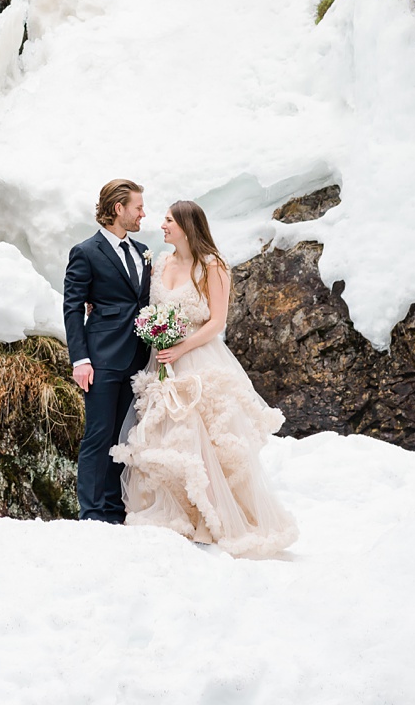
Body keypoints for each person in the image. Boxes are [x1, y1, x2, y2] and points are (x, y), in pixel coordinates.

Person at [111, 200, 298, 557]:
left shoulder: (212, 265)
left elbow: (217, 322)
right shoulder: (161, 263)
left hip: (197, 359)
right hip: (162, 362)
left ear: (186, 226)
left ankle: (212, 520)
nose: (162, 225)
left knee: (204, 439)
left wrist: (181, 348)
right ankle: (181, 513)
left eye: (169, 220)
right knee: (170, 439)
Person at [63, 179, 151, 523]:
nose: (143, 214)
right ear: (118, 208)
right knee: (98, 435)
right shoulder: (85, 252)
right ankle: (92, 512)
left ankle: (115, 509)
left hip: (138, 358)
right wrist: (80, 359)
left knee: (124, 436)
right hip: (100, 358)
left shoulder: (143, 251)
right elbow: (72, 307)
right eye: (138, 208)